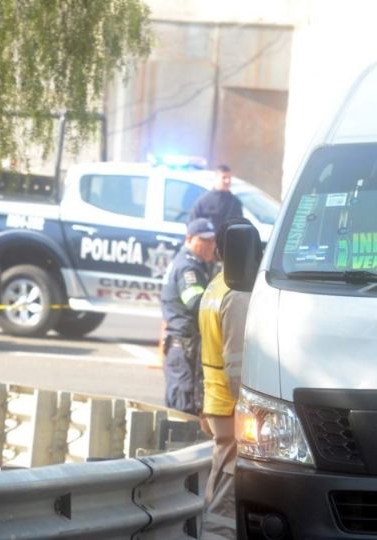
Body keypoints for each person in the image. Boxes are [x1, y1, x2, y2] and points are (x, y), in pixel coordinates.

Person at [198, 217, 252, 531]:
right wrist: (250, 409)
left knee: (219, 475)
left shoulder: (215, 286)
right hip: (231, 403)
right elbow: (237, 363)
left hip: (215, 399)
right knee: (227, 490)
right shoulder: (237, 292)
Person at [160, 218, 217, 414]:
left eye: (212, 241)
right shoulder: (188, 268)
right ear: (189, 239)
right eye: (205, 241)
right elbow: (196, 303)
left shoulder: (192, 263)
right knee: (184, 410)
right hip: (184, 350)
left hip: (183, 348)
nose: (211, 245)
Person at [189, 164, 243, 232]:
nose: (227, 181)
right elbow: (193, 225)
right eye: (224, 178)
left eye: (229, 178)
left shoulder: (235, 203)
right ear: (216, 178)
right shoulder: (204, 202)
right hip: (209, 240)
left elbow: (239, 226)